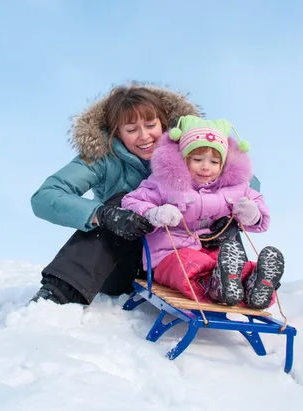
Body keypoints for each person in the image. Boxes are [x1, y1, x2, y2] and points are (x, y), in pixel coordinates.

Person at [29, 82, 260, 305]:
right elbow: (46, 196)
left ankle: (239, 282)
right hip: (124, 263)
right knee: (121, 202)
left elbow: (246, 182)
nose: (144, 136)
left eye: (151, 125)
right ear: (117, 134)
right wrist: (103, 215)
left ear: (164, 124)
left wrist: (229, 218)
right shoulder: (103, 159)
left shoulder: (190, 151)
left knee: (215, 199)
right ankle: (58, 292)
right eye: (131, 130)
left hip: (188, 255)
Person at [121, 115, 284, 309]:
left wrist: (253, 214)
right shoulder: (164, 183)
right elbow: (131, 201)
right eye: (198, 159)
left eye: (214, 162)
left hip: (212, 249)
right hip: (169, 252)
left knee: (230, 264)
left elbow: (257, 206)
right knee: (190, 265)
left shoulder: (235, 187)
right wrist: (154, 214)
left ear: (222, 164)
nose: (206, 167)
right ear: (184, 159)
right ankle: (215, 285)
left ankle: (255, 282)